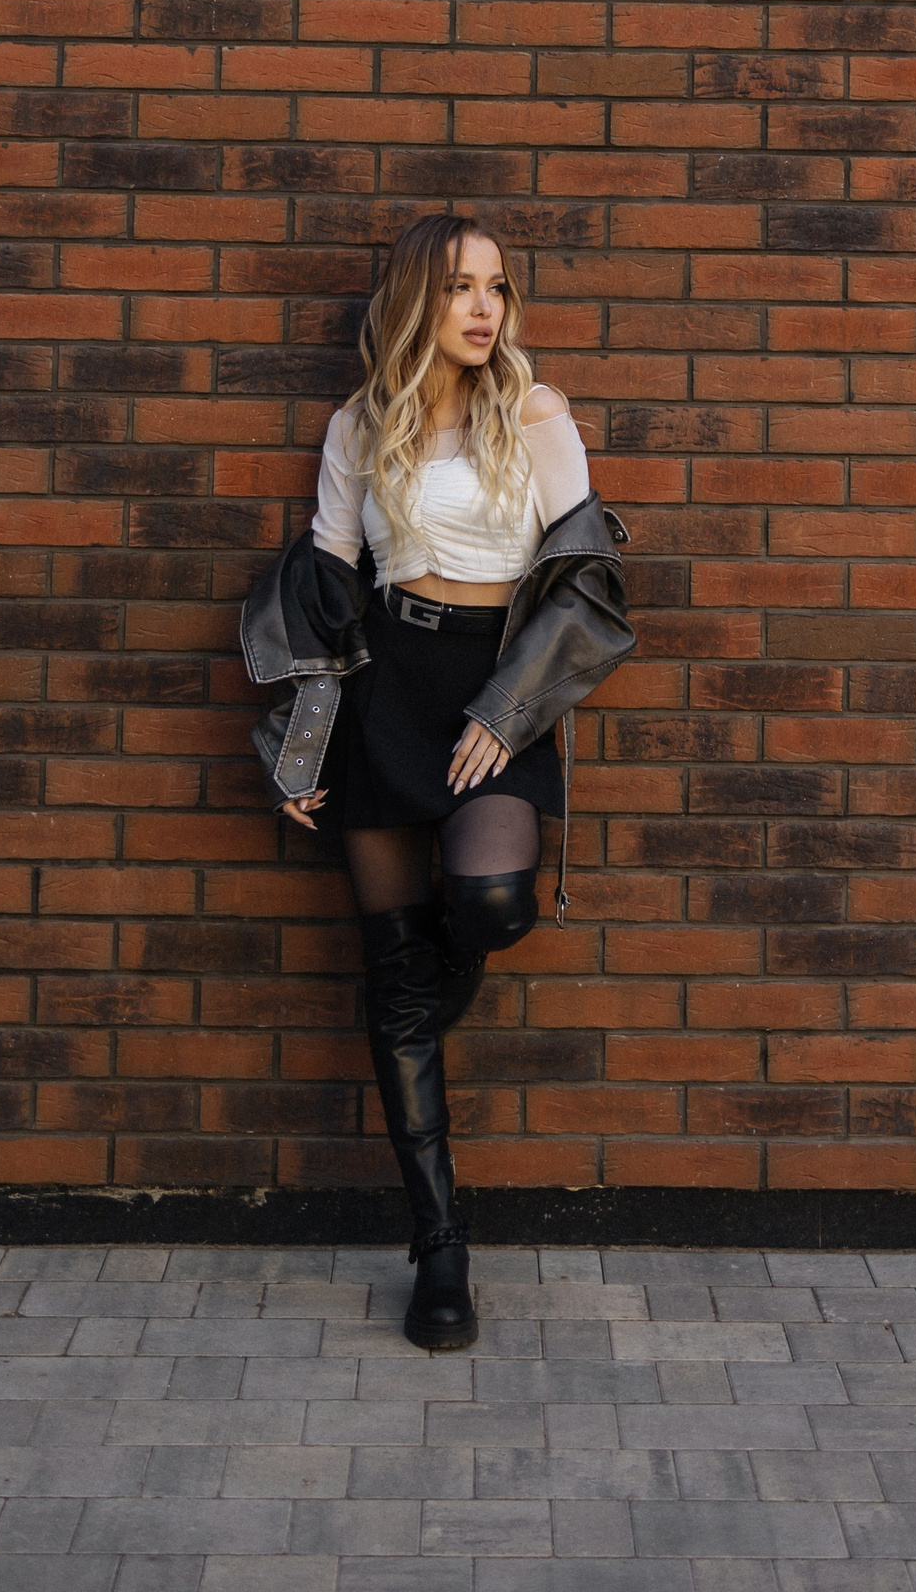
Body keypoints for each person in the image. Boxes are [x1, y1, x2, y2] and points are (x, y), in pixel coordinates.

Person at [242, 213, 634, 1352]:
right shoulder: (361, 425)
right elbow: (325, 590)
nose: (483, 309)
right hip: (385, 689)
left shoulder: (537, 413)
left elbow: (587, 585)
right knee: (393, 975)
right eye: (462, 287)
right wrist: (302, 746)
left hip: (497, 687)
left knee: (490, 905)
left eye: (497, 288)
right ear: (419, 298)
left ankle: (424, 994)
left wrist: (507, 712)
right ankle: (440, 1245)